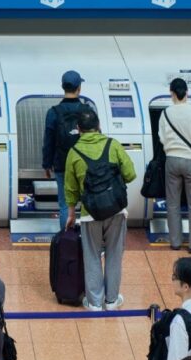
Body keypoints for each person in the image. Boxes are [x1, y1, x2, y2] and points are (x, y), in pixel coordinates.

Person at [63, 106, 136, 310]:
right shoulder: (113, 145)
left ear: (78, 129)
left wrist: (70, 213)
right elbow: (130, 174)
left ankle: (94, 302)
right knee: (114, 254)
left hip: (89, 214)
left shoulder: (74, 153)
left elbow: (70, 188)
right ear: (99, 126)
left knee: (92, 255)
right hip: (116, 211)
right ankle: (112, 301)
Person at [43, 70, 96, 229]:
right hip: (85, 164)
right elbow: (95, 138)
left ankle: (66, 241)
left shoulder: (53, 112)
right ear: (79, 88)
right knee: (88, 201)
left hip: (62, 164)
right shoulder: (87, 110)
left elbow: (48, 141)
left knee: (65, 205)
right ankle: (87, 238)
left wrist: (47, 164)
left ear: (62, 87)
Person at [159, 78, 191, 253]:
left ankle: (175, 242)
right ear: (187, 93)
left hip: (171, 160)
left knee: (172, 203)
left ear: (172, 93)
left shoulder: (165, 113)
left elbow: (162, 138)